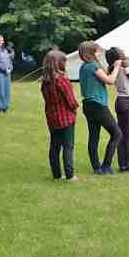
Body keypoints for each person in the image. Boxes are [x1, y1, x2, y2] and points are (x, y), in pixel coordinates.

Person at [77, 41, 123, 175]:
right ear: (92, 52)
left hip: (88, 105)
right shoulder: (92, 66)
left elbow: (103, 75)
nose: (100, 53)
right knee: (117, 133)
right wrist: (117, 67)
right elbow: (110, 81)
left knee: (94, 137)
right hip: (97, 105)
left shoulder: (84, 66)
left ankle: (96, 168)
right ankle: (106, 166)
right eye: (97, 51)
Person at [40, 50, 79, 182]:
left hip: (52, 117)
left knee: (55, 146)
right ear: (58, 63)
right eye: (64, 61)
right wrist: (75, 109)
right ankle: (70, 175)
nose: (66, 64)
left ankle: (56, 174)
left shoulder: (45, 81)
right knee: (68, 146)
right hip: (66, 118)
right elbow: (71, 100)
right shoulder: (62, 80)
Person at [105, 47, 129, 173]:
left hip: (120, 100)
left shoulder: (113, 67)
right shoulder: (125, 63)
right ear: (119, 55)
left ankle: (123, 165)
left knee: (123, 134)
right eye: (122, 51)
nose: (124, 52)